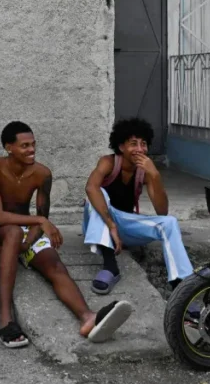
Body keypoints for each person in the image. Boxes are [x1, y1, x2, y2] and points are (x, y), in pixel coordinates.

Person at [0, 121, 134, 348]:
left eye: (33, 144)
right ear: (8, 147)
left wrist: (28, 242)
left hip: (25, 230)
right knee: (12, 232)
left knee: (53, 263)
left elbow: (42, 215)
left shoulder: (42, 174)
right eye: (24, 146)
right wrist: (40, 221)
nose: (31, 150)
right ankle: (6, 321)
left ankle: (87, 317)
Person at [82, 118, 194, 294]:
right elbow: (90, 188)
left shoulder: (145, 171)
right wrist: (111, 225)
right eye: (133, 144)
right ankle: (110, 267)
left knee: (170, 222)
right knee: (97, 194)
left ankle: (182, 287)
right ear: (121, 147)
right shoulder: (109, 162)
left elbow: (162, 211)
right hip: (103, 222)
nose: (140, 149)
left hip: (125, 225)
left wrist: (155, 175)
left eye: (143, 144)